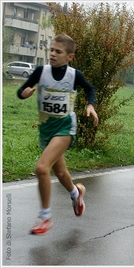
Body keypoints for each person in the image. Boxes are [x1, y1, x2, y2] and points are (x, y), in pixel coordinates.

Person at [17, 33, 99, 235]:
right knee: (60, 172)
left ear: (69, 56)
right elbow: (21, 90)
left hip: (65, 128)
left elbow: (90, 89)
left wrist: (90, 105)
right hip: (46, 130)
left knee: (42, 168)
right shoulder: (40, 71)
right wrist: (24, 93)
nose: (52, 54)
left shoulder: (74, 75)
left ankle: (45, 217)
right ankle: (76, 192)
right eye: (51, 50)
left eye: (58, 52)